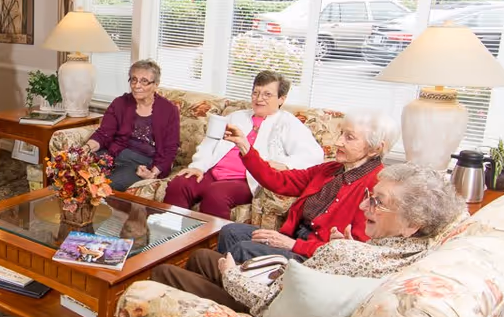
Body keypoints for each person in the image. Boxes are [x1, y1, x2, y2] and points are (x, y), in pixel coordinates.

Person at [151, 163, 463, 316]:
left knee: (164, 271)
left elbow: (271, 301)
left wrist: (232, 276)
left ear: (412, 224)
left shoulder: (352, 254)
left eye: (378, 202)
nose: (366, 206)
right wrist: (344, 245)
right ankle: (184, 310)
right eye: (371, 197)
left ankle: (187, 315)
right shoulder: (405, 247)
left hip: (271, 313)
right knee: (202, 257)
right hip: (294, 283)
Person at [216, 109, 400, 263]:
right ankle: (230, 286)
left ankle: (235, 291)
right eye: (341, 134)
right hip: (294, 240)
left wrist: (293, 245)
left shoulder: (377, 188)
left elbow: (356, 251)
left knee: (243, 249)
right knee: (230, 232)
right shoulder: (331, 169)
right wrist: (245, 146)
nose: (338, 142)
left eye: (349, 138)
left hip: (314, 257)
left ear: (376, 148)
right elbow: (279, 181)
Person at [163, 70, 324, 218]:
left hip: (246, 180)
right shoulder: (236, 116)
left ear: (282, 99)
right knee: (180, 184)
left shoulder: (288, 123)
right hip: (213, 173)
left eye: (267, 94)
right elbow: (210, 142)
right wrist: (198, 166)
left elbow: (314, 155)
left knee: (216, 194)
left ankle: (208, 247)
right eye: (256, 93)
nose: (259, 98)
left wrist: (285, 165)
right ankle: (171, 240)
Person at [83, 59, 180, 192]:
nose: (136, 85)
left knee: (105, 187)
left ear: (156, 84)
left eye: (144, 81)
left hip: (141, 164)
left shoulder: (169, 110)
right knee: (75, 175)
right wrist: (85, 149)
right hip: (113, 154)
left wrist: (152, 173)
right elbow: (103, 134)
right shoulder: (120, 103)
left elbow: (170, 149)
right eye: (133, 80)